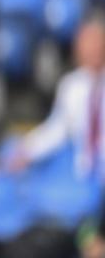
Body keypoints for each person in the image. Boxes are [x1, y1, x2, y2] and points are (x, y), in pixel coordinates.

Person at [7, 18, 105, 179]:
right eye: (85, 44)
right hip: (83, 172)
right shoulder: (71, 86)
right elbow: (57, 128)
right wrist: (28, 150)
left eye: (96, 43)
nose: (91, 49)